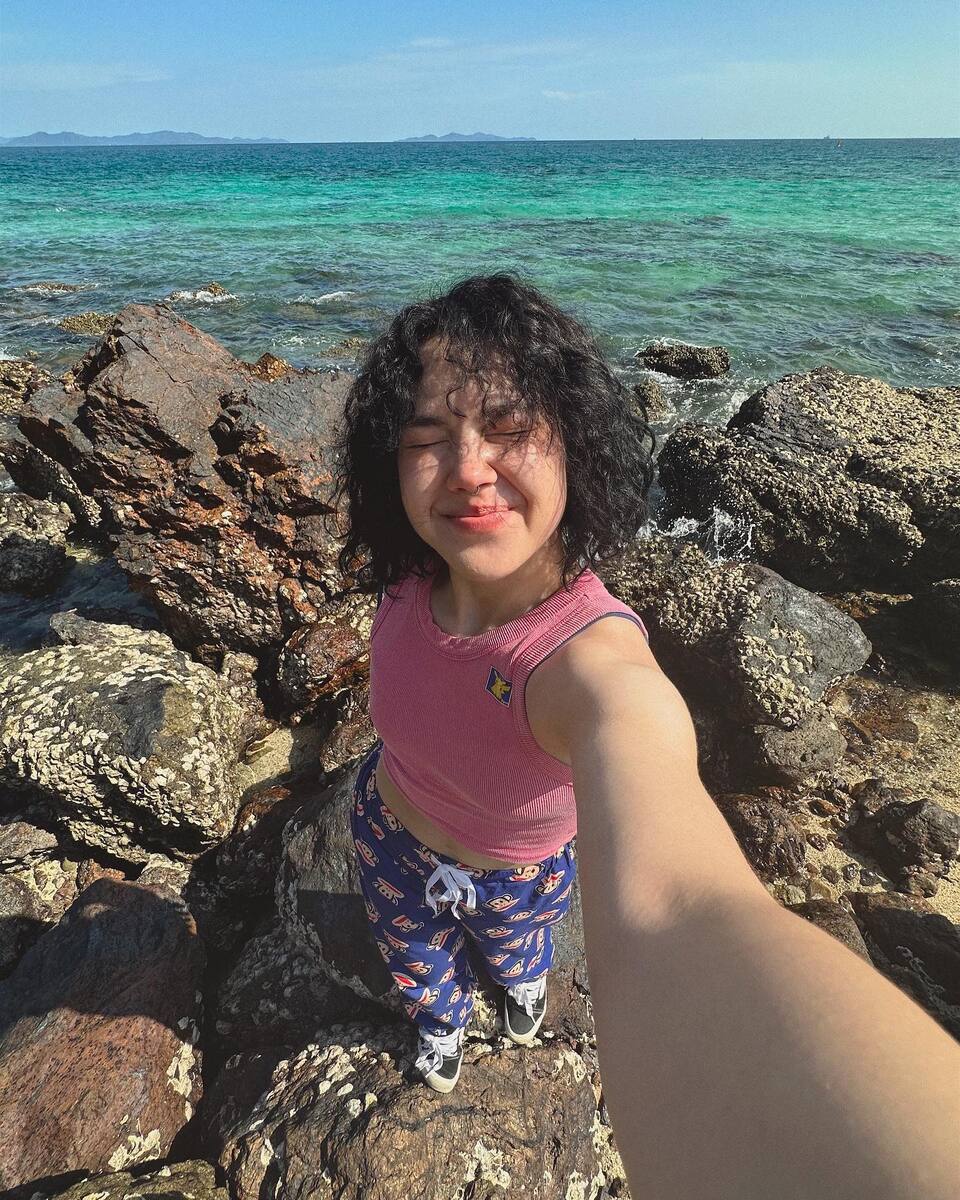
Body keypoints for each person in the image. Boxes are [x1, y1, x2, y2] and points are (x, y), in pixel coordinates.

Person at [329, 274, 959, 1196]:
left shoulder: (588, 662)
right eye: (427, 437)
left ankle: (522, 991)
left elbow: (682, 905)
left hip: (517, 876)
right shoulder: (408, 577)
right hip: (385, 835)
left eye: (508, 428)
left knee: (518, 953)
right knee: (419, 967)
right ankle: (440, 1023)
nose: (466, 468)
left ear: (577, 443)